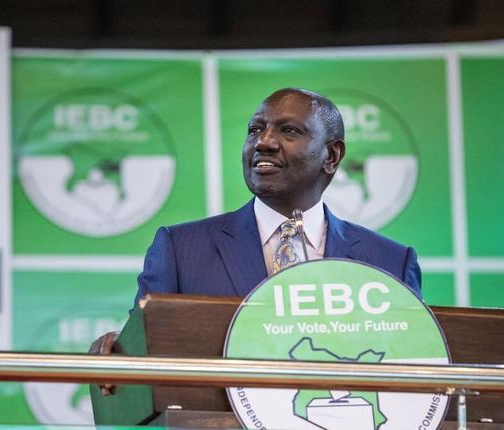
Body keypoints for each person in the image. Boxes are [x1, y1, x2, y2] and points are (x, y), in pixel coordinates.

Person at [90, 88, 421, 392]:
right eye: (254, 130)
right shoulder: (180, 249)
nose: (263, 142)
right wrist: (117, 349)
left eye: (288, 131)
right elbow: (143, 352)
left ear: (331, 156)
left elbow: (416, 371)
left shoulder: (389, 262)